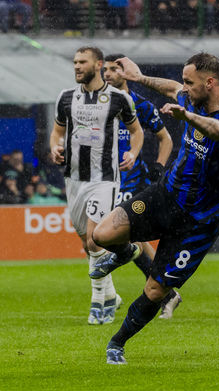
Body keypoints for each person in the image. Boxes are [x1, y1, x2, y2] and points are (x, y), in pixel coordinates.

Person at [89, 52, 219, 364]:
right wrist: (138, 78)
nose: (185, 89)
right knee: (102, 235)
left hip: (199, 224)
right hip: (165, 196)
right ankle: (127, 253)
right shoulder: (191, 97)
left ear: (210, 82)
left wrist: (188, 118)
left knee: (155, 291)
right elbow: (171, 87)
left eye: (191, 82)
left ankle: (116, 343)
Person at [49, 46, 144, 326]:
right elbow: (57, 132)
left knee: (94, 238)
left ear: (99, 64)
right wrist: (54, 147)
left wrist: (133, 153)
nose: (77, 66)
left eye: (83, 62)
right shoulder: (66, 98)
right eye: (75, 62)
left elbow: (137, 131)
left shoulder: (118, 99)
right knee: (87, 243)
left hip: (104, 179)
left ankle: (98, 304)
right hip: (74, 178)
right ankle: (112, 295)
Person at [102, 53, 179, 319]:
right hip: (103, 179)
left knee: (124, 235)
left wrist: (158, 167)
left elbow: (165, 139)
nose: (108, 73)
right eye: (106, 69)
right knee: (125, 238)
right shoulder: (97, 105)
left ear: (126, 72)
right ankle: (165, 289)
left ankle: (108, 296)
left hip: (132, 179)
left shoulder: (141, 105)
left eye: (114, 69)